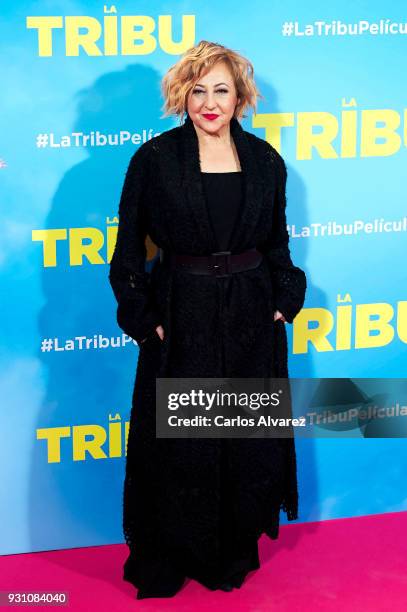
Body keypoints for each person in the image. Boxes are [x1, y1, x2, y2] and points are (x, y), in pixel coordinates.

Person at [109, 40, 307, 599]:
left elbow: (276, 242)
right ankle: (174, 551)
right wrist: (144, 317)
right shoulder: (154, 159)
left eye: (221, 89)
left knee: (239, 435)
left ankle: (230, 547)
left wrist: (282, 298)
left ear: (240, 96)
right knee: (183, 439)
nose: (210, 102)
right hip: (183, 310)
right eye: (198, 90)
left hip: (251, 312)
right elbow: (128, 250)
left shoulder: (266, 159)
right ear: (182, 95)